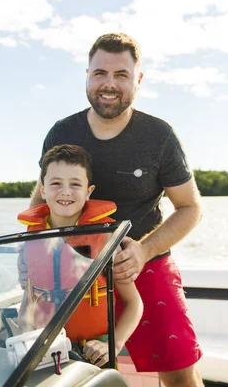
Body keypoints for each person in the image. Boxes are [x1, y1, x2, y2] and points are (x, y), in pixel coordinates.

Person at [25, 33, 204, 386]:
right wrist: (33, 267)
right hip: (74, 276)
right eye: (100, 73)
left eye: (121, 74)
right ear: (87, 76)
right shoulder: (62, 132)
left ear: (138, 79)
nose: (109, 84)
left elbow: (190, 208)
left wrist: (143, 250)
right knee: (75, 375)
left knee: (181, 376)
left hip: (144, 266)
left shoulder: (159, 136)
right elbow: (40, 200)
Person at [17, 144, 143, 368]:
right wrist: (24, 343)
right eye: (56, 183)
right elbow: (29, 298)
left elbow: (135, 303)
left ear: (88, 192)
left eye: (75, 184)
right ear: (42, 190)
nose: (65, 191)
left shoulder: (105, 240)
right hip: (45, 353)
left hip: (94, 354)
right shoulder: (30, 242)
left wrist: (113, 346)